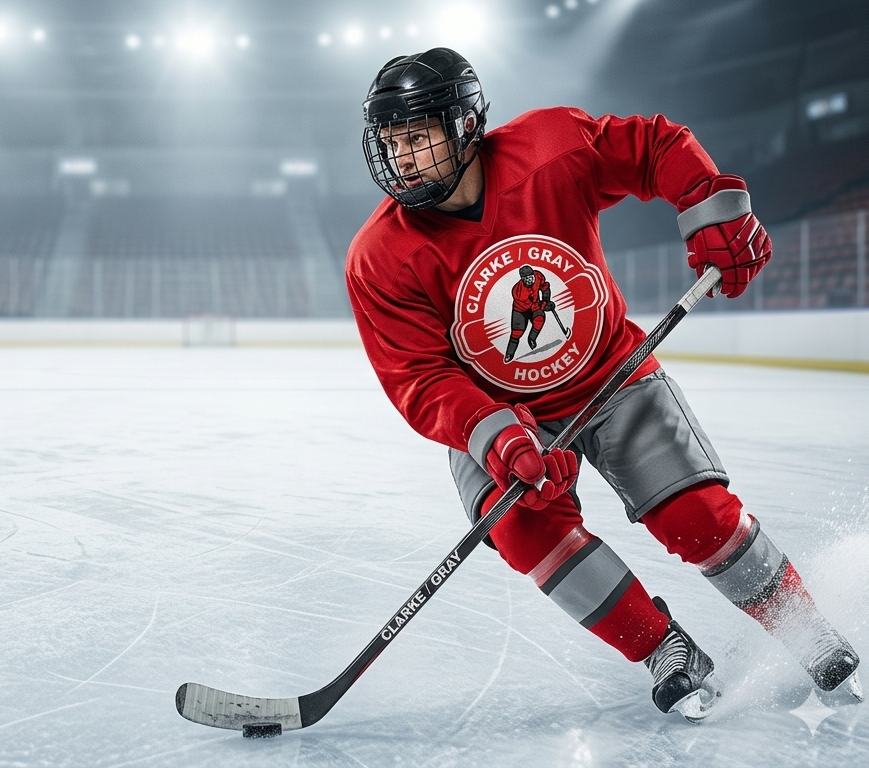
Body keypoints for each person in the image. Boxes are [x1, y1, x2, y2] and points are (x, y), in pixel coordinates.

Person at [345, 47, 862, 721]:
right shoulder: (380, 256)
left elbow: (653, 147)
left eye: (416, 137)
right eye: (391, 142)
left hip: (612, 375)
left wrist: (709, 201)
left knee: (694, 516)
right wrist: (499, 439)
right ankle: (664, 650)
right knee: (527, 533)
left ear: (467, 123)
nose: (403, 158)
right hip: (503, 416)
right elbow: (419, 376)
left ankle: (806, 629)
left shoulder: (549, 147)